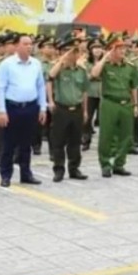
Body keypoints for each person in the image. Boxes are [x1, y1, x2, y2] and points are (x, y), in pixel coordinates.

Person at [0, 33, 46, 188]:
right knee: (9, 144)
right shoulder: (7, 64)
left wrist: (42, 107)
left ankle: (26, 173)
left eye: (31, 44)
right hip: (12, 108)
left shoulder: (36, 63)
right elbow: (1, 88)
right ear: (17, 46)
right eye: (25, 44)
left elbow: (40, 86)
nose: (29, 46)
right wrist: (2, 111)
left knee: (26, 143)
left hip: (30, 107)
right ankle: (5, 175)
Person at [89, 32, 138, 178]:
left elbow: (134, 86)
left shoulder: (130, 66)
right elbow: (93, 73)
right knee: (106, 135)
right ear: (112, 50)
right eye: (119, 49)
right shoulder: (105, 65)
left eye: (124, 49)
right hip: (109, 103)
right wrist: (105, 57)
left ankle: (119, 164)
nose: (123, 51)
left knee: (126, 136)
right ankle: (105, 164)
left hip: (126, 104)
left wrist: (136, 104)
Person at [47, 36, 90, 182]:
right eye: (69, 51)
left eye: (75, 51)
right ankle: (59, 170)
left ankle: (74, 169)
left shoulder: (81, 71)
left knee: (75, 142)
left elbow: (84, 91)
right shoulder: (58, 68)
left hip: (76, 109)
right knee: (58, 141)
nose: (73, 54)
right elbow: (51, 76)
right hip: (62, 109)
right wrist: (62, 60)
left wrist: (85, 111)